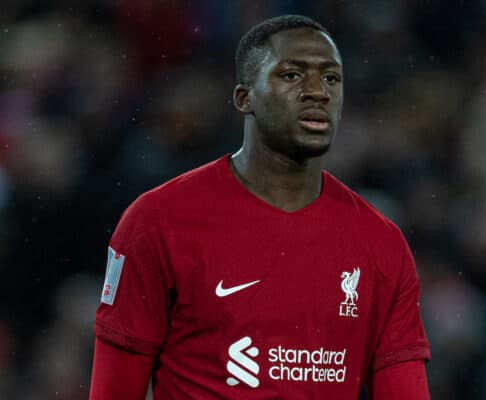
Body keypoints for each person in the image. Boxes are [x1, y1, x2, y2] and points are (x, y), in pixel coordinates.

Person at [89, 15, 431, 399]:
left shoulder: (381, 243)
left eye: (331, 78)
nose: (318, 91)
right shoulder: (157, 222)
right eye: (292, 75)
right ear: (244, 97)